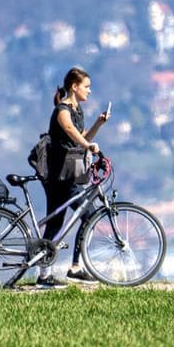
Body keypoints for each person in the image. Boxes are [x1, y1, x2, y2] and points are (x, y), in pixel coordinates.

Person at [39, 66, 110, 286]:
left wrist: (98, 124)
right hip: (60, 173)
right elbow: (70, 130)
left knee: (56, 222)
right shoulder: (62, 109)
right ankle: (72, 268)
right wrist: (88, 145)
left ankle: (47, 274)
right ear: (74, 86)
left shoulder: (78, 110)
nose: (89, 91)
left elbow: (81, 136)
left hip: (70, 171)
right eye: (86, 87)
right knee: (86, 214)